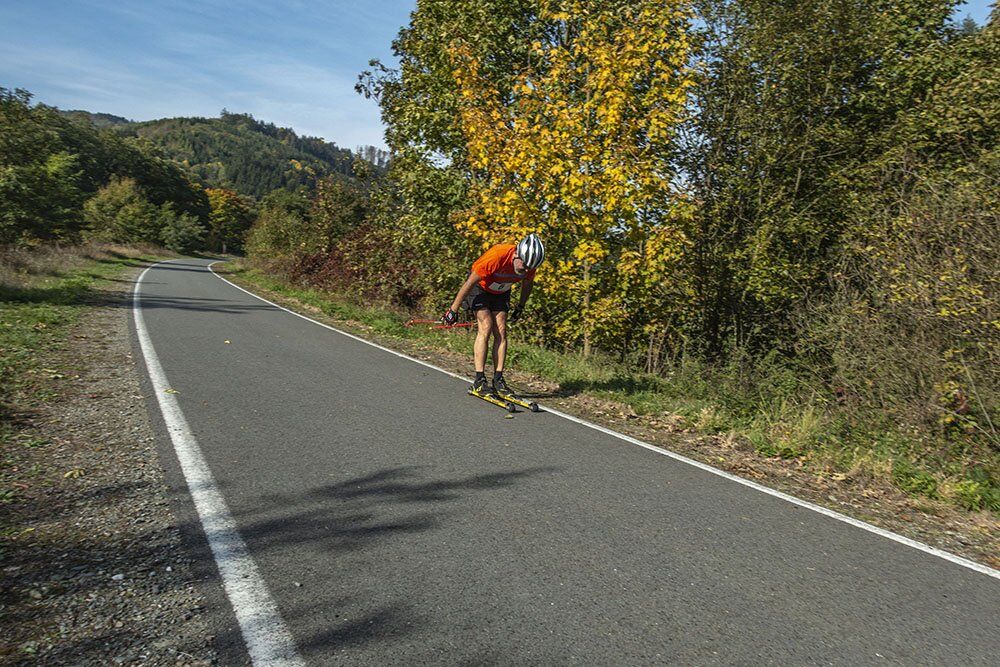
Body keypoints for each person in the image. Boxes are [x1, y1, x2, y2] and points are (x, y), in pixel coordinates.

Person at [442, 233, 545, 396]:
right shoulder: (497, 255)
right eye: (524, 266)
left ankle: (498, 379)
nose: (526, 271)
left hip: (501, 291)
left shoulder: (529, 265)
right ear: (516, 254)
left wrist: (520, 306)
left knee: (501, 330)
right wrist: (452, 310)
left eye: (529, 268)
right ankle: (479, 380)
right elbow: (469, 283)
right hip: (479, 288)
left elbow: (527, 284)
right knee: (486, 325)